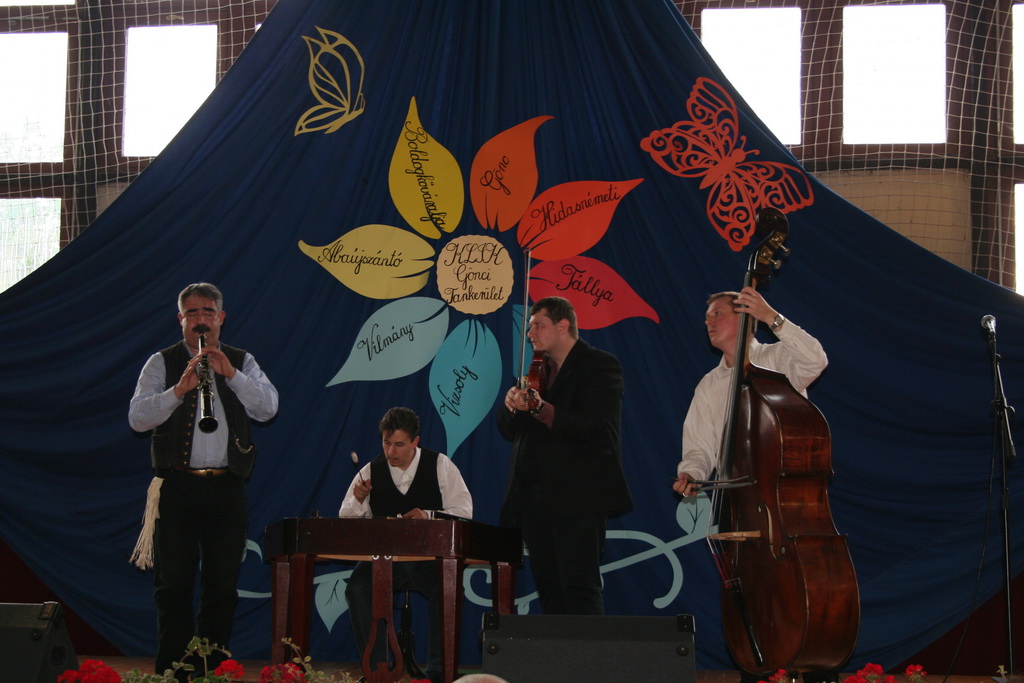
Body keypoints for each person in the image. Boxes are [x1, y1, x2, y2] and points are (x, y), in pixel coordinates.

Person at [128, 282, 279, 680]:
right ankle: (173, 672)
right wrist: (178, 391)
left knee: (221, 588)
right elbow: (137, 418)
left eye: (207, 312)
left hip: (227, 488)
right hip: (176, 487)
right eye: (192, 313)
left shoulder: (241, 360)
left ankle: (212, 671)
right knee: (172, 588)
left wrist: (232, 376)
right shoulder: (161, 362)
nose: (200, 321)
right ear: (180, 320)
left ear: (221, 319)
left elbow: (269, 408)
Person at [496, 295, 633, 615]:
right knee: (549, 586)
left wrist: (540, 408)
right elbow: (509, 431)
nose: (530, 333)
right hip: (533, 498)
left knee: (579, 585)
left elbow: (588, 426)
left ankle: (586, 650)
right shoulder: (536, 371)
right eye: (530, 327)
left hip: (578, 497)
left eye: (538, 325)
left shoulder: (600, 365)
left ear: (562, 326)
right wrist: (512, 405)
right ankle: (557, 649)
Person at [340, 406, 473, 683]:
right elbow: (347, 520)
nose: (391, 452)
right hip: (384, 560)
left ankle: (439, 671)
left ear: (415, 441)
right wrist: (360, 498)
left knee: (448, 587)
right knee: (358, 587)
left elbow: (464, 511)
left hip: (429, 560)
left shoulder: (440, 465)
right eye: (386, 443)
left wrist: (429, 515)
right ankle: (377, 669)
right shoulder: (370, 471)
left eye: (399, 444)